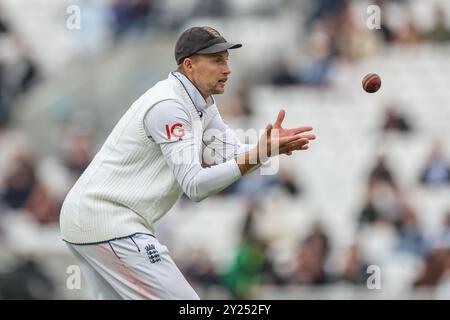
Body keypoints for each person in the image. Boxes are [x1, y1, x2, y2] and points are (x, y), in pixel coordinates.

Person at [59, 26, 316, 300]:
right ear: (190, 65)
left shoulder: (200, 102)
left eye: (227, 59)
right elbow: (195, 186)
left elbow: (230, 152)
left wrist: (266, 149)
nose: (227, 69)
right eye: (217, 60)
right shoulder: (169, 105)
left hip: (94, 220)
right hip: (108, 221)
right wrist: (256, 155)